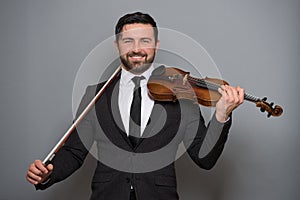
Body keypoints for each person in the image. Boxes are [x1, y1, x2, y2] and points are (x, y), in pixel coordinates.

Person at [26, 12, 244, 200]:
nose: (137, 49)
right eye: (128, 41)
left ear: (156, 45)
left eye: (145, 41)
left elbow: (205, 159)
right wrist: (49, 173)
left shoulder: (181, 94)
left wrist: (221, 115)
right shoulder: (95, 94)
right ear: (117, 45)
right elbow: (74, 151)